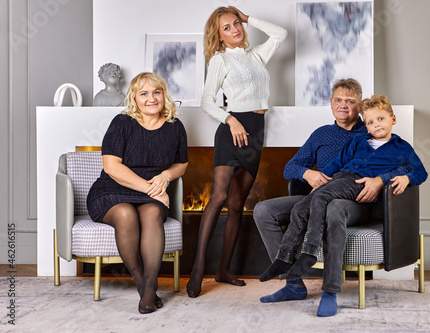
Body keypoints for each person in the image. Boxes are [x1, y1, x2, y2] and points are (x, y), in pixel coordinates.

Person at [254, 79, 409, 317]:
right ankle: (293, 283)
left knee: (334, 207)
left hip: (355, 202)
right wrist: (309, 173)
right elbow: (290, 167)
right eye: (338, 100)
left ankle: (330, 292)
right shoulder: (321, 134)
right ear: (331, 103)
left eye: (350, 101)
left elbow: (404, 163)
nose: (343, 105)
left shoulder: (370, 128)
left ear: (360, 105)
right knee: (264, 211)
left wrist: (379, 181)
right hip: (317, 195)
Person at [186, 6, 287, 298]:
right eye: (226, 28)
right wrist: (230, 120)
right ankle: (197, 269)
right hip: (232, 131)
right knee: (218, 196)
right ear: (217, 36)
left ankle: (224, 270)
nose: (235, 30)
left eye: (235, 24)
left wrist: (248, 18)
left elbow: (281, 34)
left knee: (237, 204)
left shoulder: (255, 55)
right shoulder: (219, 60)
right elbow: (207, 101)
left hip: (255, 131)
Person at [87, 72, 188, 314]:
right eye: (144, 94)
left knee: (153, 214)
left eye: (156, 92)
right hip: (112, 190)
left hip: (151, 194)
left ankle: (149, 288)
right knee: (125, 215)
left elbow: (181, 164)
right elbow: (111, 167)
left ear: (164, 95)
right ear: (134, 97)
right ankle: (144, 286)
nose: (151, 98)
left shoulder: (175, 126)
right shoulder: (122, 123)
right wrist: (152, 189)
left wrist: (164, 178)